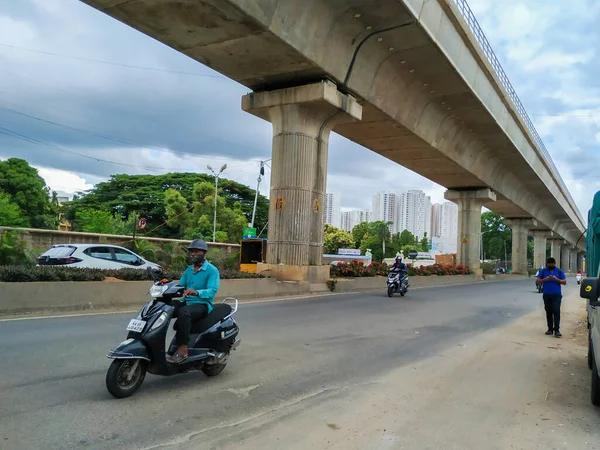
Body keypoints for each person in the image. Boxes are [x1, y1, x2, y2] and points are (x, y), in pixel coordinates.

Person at [167, 239, 220, 364]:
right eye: (191, 251)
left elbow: (212, 290)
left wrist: (197, 292)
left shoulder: (212, 270)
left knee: (184, 313)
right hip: (187, 301)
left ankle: (183, 349)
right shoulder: (189, 270)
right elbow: (180, 286)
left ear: (204, 253)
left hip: (202, 304)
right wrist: (166, 285)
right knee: (164, 308)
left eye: (197, 251)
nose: (193, 254)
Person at [537, 257, 566, 338]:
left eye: (552, 264)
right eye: (549, 264)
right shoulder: (543, 271)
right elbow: (538, 281)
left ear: (554, 264)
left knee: (556, 311)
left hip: (556, 295)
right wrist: (545, 279)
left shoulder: (559, 271)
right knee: (548, 311)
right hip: (546, 294)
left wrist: (556, 279)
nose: (551, 265)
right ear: (547, 264)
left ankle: (557, 330)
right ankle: (550, 329)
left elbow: (564, 282)